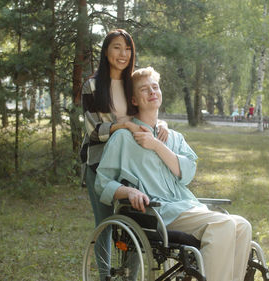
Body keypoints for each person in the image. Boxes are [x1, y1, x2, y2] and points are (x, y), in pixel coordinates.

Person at [95, 67, 252, 281]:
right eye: (144, 89)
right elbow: (102, 183)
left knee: (242, 225)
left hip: (187, 206)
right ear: (134, 100)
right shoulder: (123, 138)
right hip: (159, 212)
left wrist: (157, 146)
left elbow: (186, 174)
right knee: (223, 224)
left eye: (155, 87)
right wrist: (128, 191)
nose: (152, 92)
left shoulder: (174, 137)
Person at [80, 29, 168, 280]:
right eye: (117, 47)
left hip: (131, 162)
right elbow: (94, 130)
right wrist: (125, 125)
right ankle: (105, 276)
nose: (123, 54)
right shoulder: (93, 85)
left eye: (127, 48)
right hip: (99, 162)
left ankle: (130, 276)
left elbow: (149, 107)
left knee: (135, 223)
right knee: (105, 226)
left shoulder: (133, 83)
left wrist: (162, 125)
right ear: (106, 51)